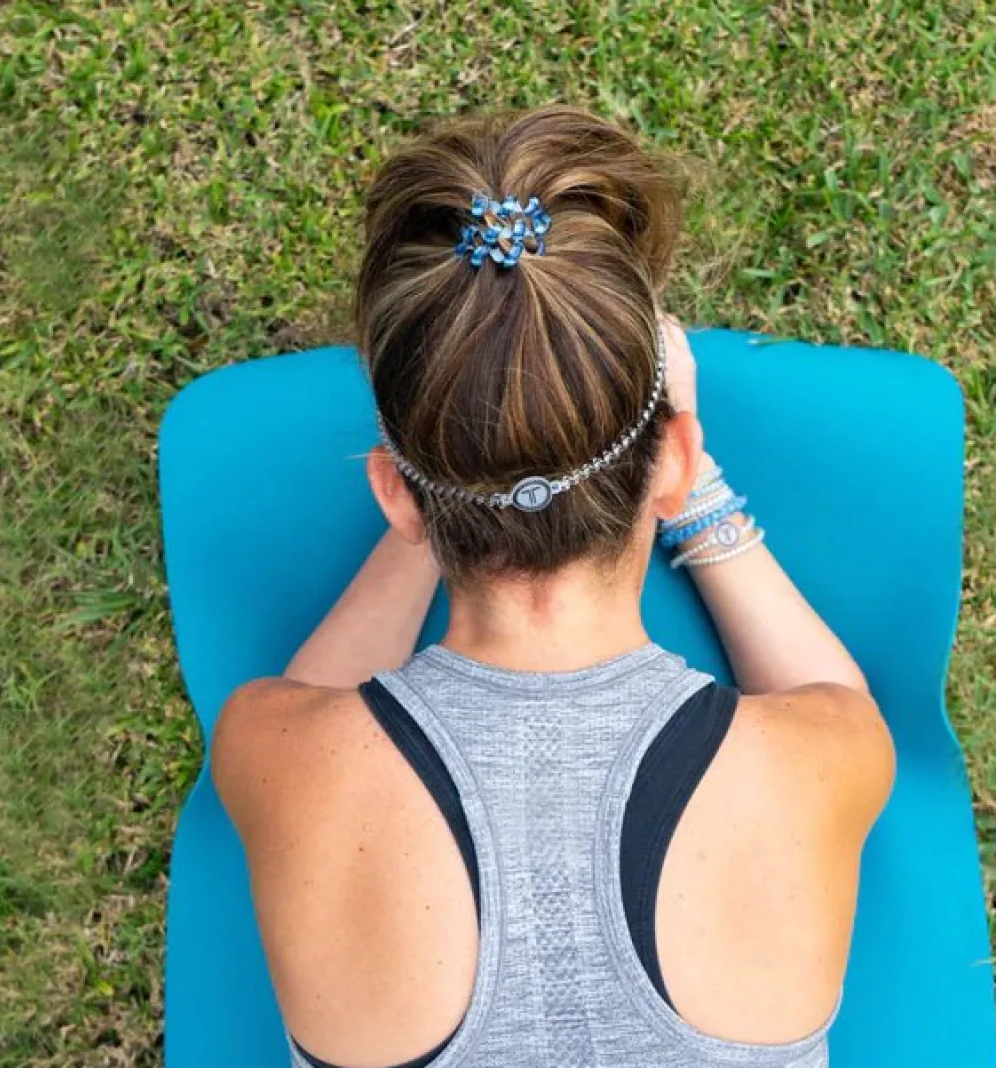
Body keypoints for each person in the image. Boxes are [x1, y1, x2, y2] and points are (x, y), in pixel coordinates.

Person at [211, 105, 895, 1068]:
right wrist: (692, 492)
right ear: (672, 459)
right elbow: (828, 696)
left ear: (391, 494)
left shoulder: (272, 748)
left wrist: (447, 497)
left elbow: (313, 698)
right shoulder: (822, 756)